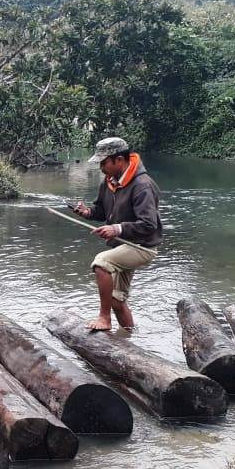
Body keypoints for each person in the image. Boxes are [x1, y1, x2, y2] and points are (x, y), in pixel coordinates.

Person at [74, 136, 162, 331]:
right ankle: (131, 337)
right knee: (116, 300)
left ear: (119, 160)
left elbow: (148, 224)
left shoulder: (142, 185)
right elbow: (103, 211)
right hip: (124, 244)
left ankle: (104, 319)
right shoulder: (109, 182)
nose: (101, 168)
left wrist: (117, 229)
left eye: (104, 163)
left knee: (101, 263)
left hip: (142, 246)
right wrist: (87, 212)